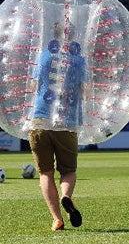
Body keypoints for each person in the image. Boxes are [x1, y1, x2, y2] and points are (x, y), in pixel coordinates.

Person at [28, 22, 86, 231]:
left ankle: (57, 219)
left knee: (45, 173)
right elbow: (81, 91)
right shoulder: (79, 60)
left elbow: (34, 86)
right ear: (73, 36)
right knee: (68, 170)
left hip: (40, 120)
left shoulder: (43, 56)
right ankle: (66, 196)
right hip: (67, 122)